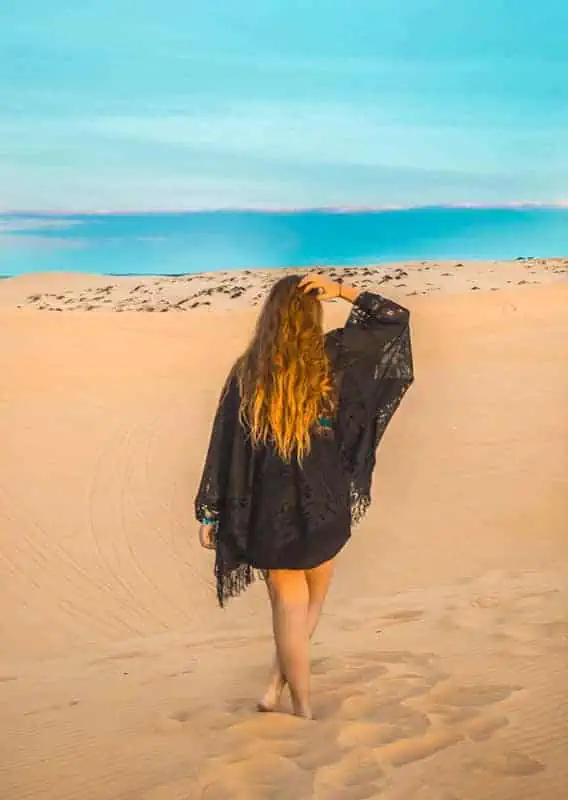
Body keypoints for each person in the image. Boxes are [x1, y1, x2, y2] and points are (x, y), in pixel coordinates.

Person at [195, 273, 413, 719]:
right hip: (325, 503)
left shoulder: (248, 372)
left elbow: (224, 446)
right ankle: (298, 705)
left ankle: (291, 695)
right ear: (311, 315)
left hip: (270, 511)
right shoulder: (333, 356)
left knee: (287, 608)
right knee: (311, 602)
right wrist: (340, 290)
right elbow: (393, 317)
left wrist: (212, 511)